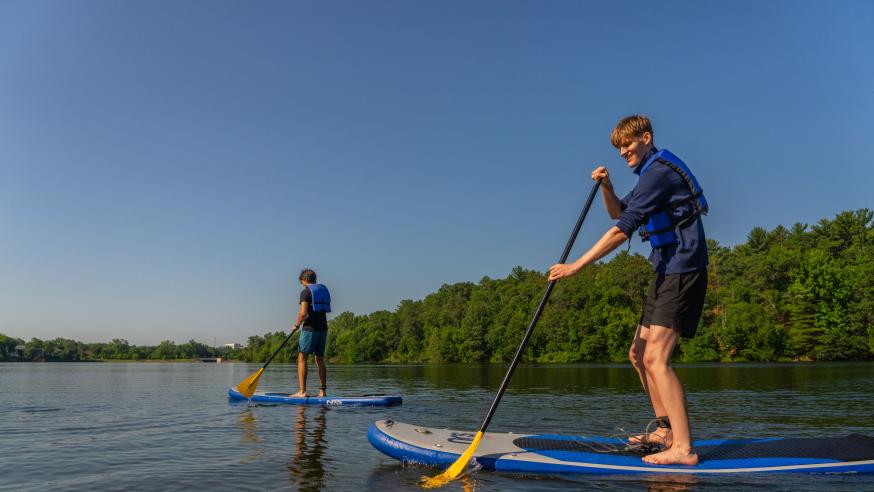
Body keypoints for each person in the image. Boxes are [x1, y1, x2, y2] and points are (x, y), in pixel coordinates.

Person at [548, 115, 708, 466]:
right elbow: (618, 211)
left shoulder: (658, 173)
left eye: (628, 144)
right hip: (664, 268)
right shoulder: (648, 175)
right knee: (638, 354)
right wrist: (607, 186)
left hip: (683, 267)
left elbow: (621, 231)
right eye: (618, 147)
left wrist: (575, 266)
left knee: (656, 358)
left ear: (646, 138)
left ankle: (683, 448)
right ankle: (665, 430)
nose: (623, 151)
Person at [291, 268, 332, 398]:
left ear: (305, 280)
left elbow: (303, 313)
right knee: (319, 358)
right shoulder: (322, 290)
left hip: (310, 329)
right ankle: (322, 391)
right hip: (323, 328)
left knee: (302, 357)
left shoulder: (306, 292)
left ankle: (302, 391)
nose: (302, 284)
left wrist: (296, 325)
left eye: (301, 282)